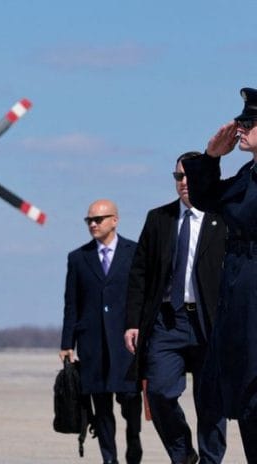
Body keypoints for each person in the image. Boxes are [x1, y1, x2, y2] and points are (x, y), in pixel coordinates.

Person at [124, 152, 227, 464]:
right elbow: (139, 273)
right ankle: (183, 455)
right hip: (168, 322)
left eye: (189, 176)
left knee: (211, 401)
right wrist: (132, 322)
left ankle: (211, 460)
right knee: (159, 391)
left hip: (211, 322)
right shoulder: (159, 218)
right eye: (178, 176)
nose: (183, 182)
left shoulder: (223, 217)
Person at [182, 87, 257, 462]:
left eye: (250, 122)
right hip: (240, 295)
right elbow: (208, 198)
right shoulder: (248, 173)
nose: (240, 128)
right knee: (245, 396)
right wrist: (211, 157)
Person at [59, 199, 142, 464]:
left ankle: (134, 441)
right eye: (89, 220)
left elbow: (142, 296)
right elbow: (71, 304)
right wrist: (67, 343)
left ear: (114, 220)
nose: (93, 224)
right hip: (92, 343)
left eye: (98, 219)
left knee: (130, 399)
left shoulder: (135, 252)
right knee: (102, 406)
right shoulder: (78, 258)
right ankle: (109, 458)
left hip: (126, 344)